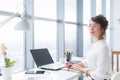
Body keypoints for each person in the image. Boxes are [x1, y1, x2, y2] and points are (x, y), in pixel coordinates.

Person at [66, 14, 113, 80]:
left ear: (102, 28)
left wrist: (82, 69)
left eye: (95, 25)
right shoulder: (94, 45)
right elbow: (89, 61)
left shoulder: (103, 47)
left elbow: (100, 75)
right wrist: (77, 65)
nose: (91, 28)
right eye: (90, 25)